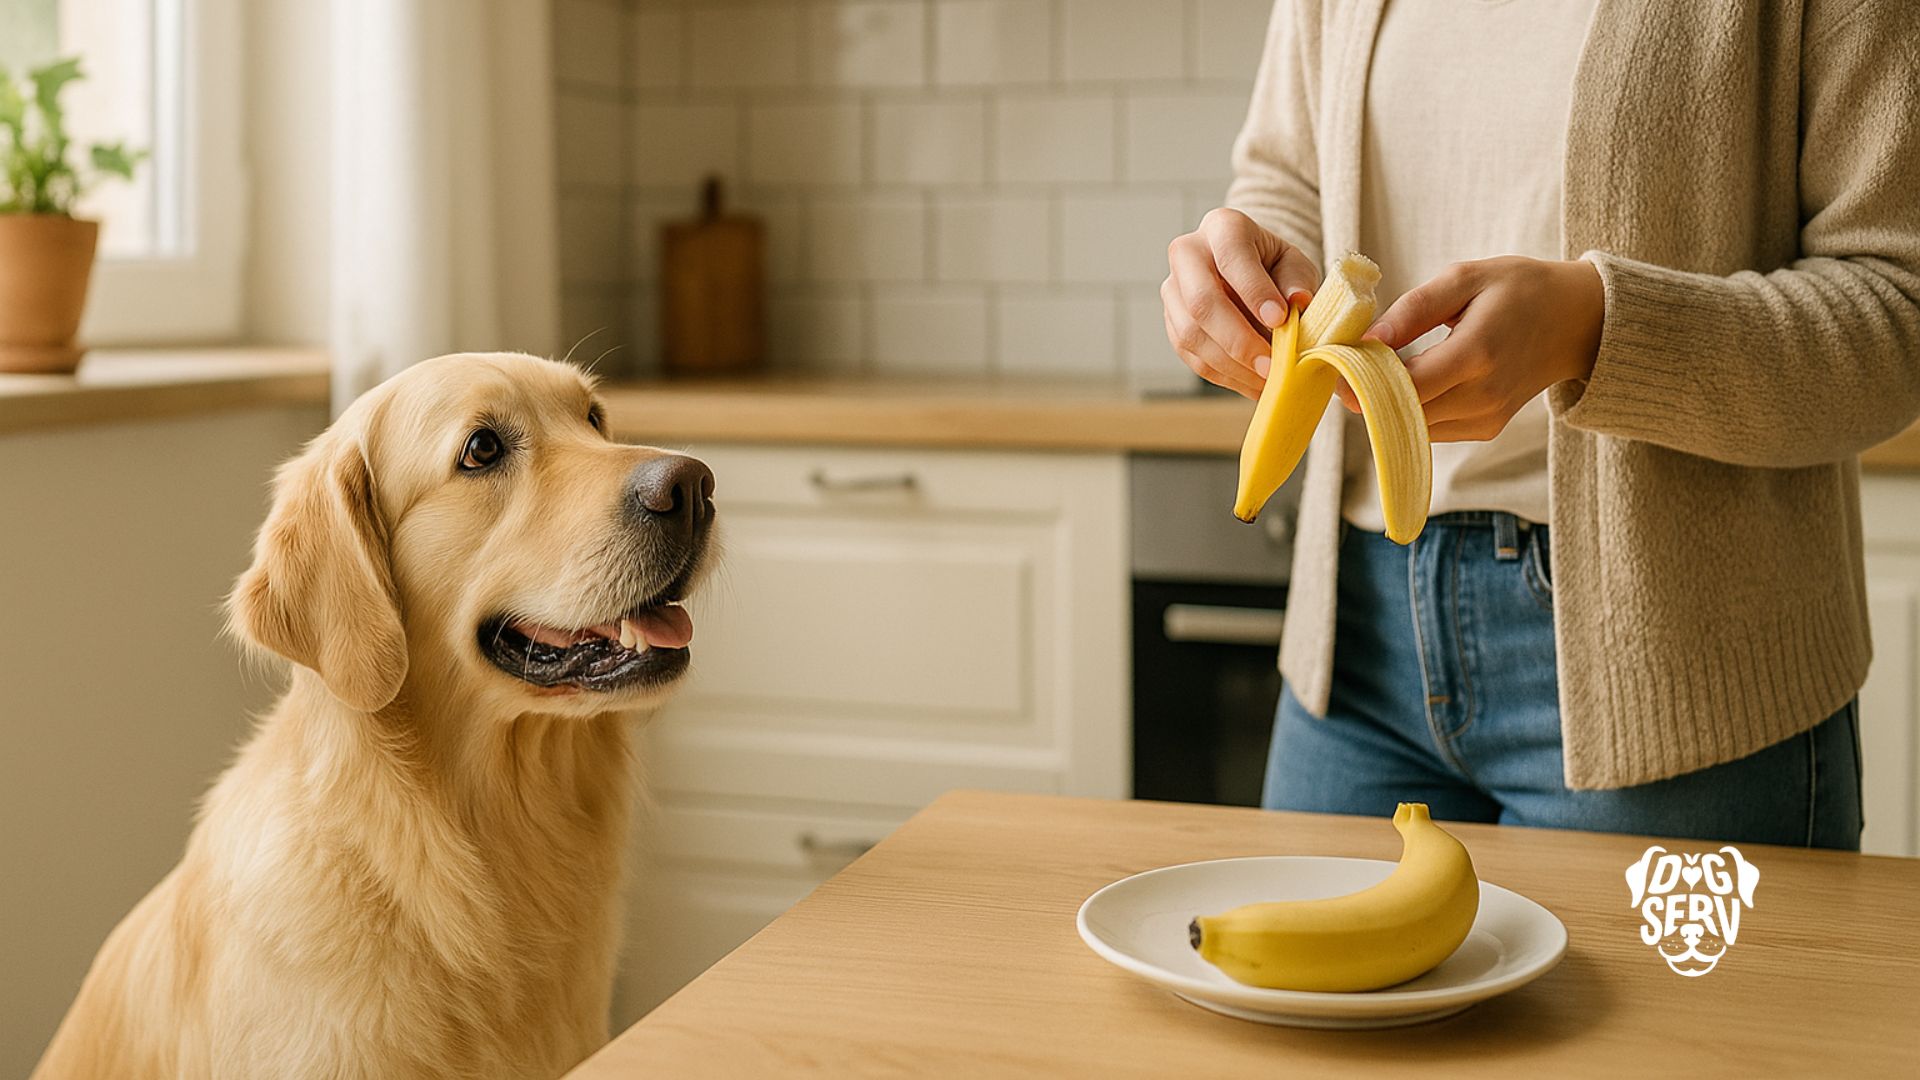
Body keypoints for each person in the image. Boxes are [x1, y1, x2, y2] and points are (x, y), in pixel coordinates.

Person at [1163, 0, 1919, 850]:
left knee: (1676, 992)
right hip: (1355, 648)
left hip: (1679, 675)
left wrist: (1594, 330)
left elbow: (1899, 305)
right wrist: (1248, 264)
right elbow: (1286, 175)